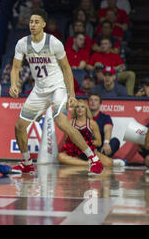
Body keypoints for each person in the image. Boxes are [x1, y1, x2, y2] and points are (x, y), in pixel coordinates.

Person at [9, 9, 104, 175]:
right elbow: (16, 67)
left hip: (57, 87)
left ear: (44, 25)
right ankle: (27, 163)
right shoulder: (22, 43)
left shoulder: (53, 42)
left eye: (36, 21)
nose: (33, 24)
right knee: (19, 127)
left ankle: (93, 159)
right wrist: (13, 85)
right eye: (31, 21)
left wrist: (72, 94)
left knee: (61, 122)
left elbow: (67, 68)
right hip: (39, 90)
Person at [57, 100, 125, 167]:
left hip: (88, 150)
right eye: (77, 107)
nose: (80, 109)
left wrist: (87, 142)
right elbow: (65, 141)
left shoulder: (92, 123)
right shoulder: (70, 123)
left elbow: (99, 142)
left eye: (82, 107)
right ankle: (88, 163)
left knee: (109, 163)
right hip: (74, 151)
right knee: (60, 157)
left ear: (86, 109)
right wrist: (75, 144)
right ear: (74, 109)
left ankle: (112, 162)